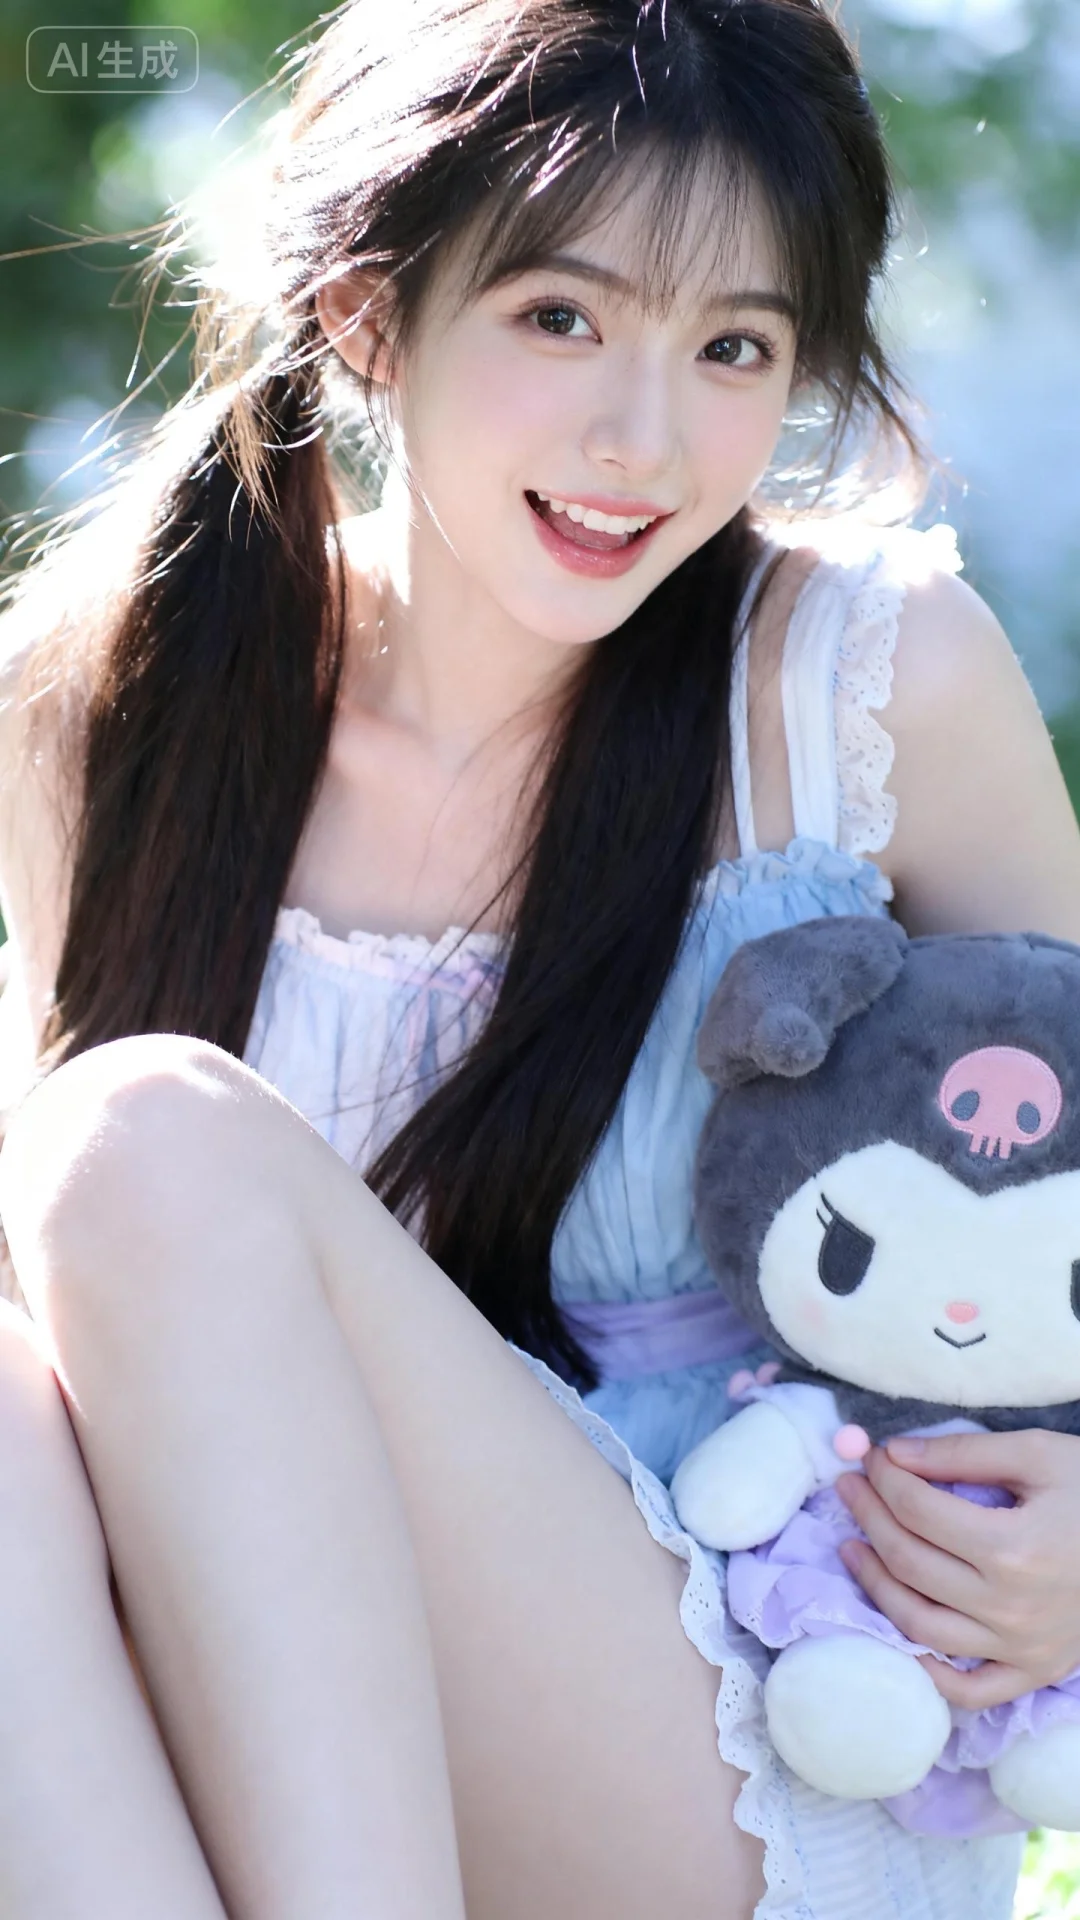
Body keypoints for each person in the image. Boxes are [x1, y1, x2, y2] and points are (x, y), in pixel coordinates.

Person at [0, 0, 1079, 1913]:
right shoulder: (104, 706)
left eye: (734, 347)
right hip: (277, 1743)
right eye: (562, 317)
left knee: (146, 1137)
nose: (641, 440)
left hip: (755, 1706)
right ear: (368, 313)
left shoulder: (858, 690)